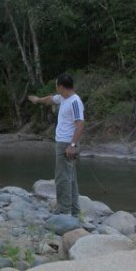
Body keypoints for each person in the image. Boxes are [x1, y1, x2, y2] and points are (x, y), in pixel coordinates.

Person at [28, 74, 85, 217]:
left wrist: (72, 145)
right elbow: (50, 99)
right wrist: (37, 100)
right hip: (63, 143)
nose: (55, 88)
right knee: (70, 177)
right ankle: (74, 211)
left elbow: (80, 123)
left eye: (56, 85)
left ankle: (65, 211)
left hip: (67, 143)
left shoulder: (75, 101)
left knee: (62, 178)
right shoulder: (63, 98)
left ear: (61, 87)